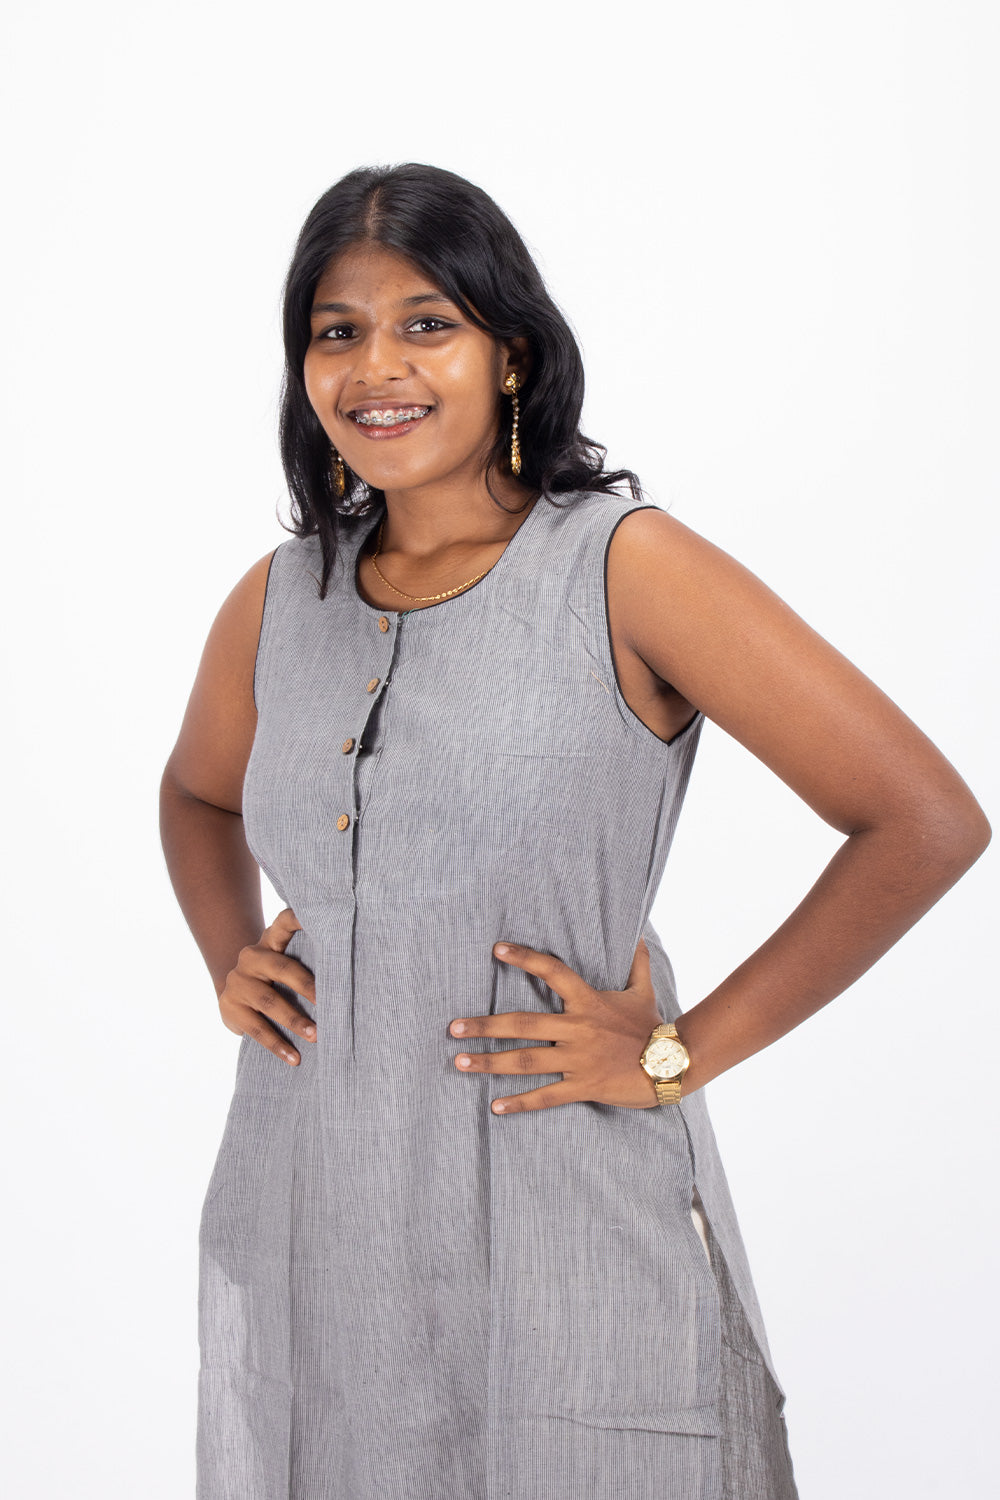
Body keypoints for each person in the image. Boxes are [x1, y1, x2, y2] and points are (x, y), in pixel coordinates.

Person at [159, 162, 990, 1500]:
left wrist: (676, 1052)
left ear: (513, 352)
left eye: (428, 323)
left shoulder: (623, 566)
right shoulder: (279, 598)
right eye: (337, 330)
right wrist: (227, 958)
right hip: (319, 1211)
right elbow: (197, 795)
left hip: (566, 1210)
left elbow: (923, 821)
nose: (378, 366)